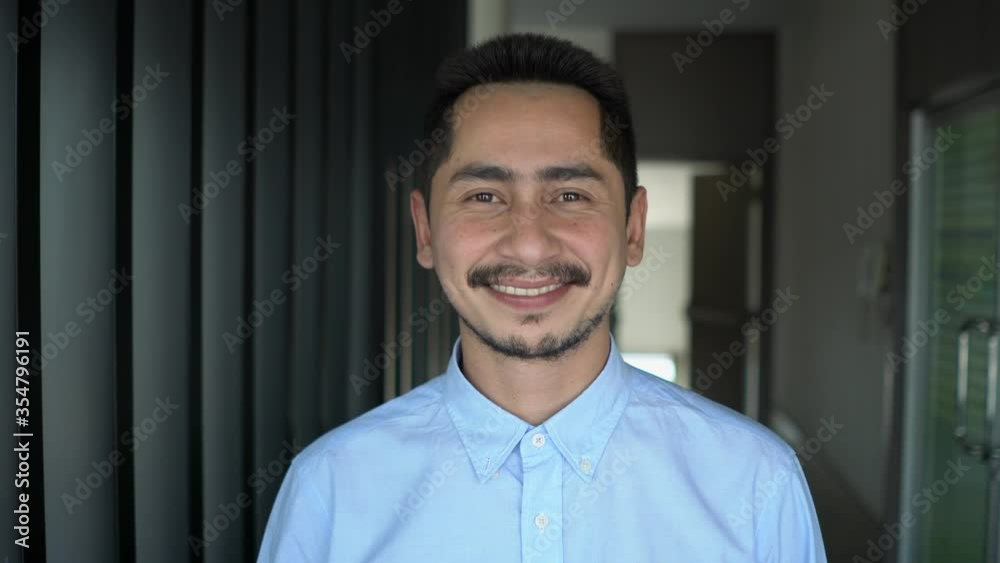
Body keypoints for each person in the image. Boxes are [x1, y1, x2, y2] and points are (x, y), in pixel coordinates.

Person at [257, 32, 827, 562]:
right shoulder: (330, 492)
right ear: (425, 230)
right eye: (484, 196)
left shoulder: (757, 482)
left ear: (633, 228)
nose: (529, 244)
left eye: (571, 195)